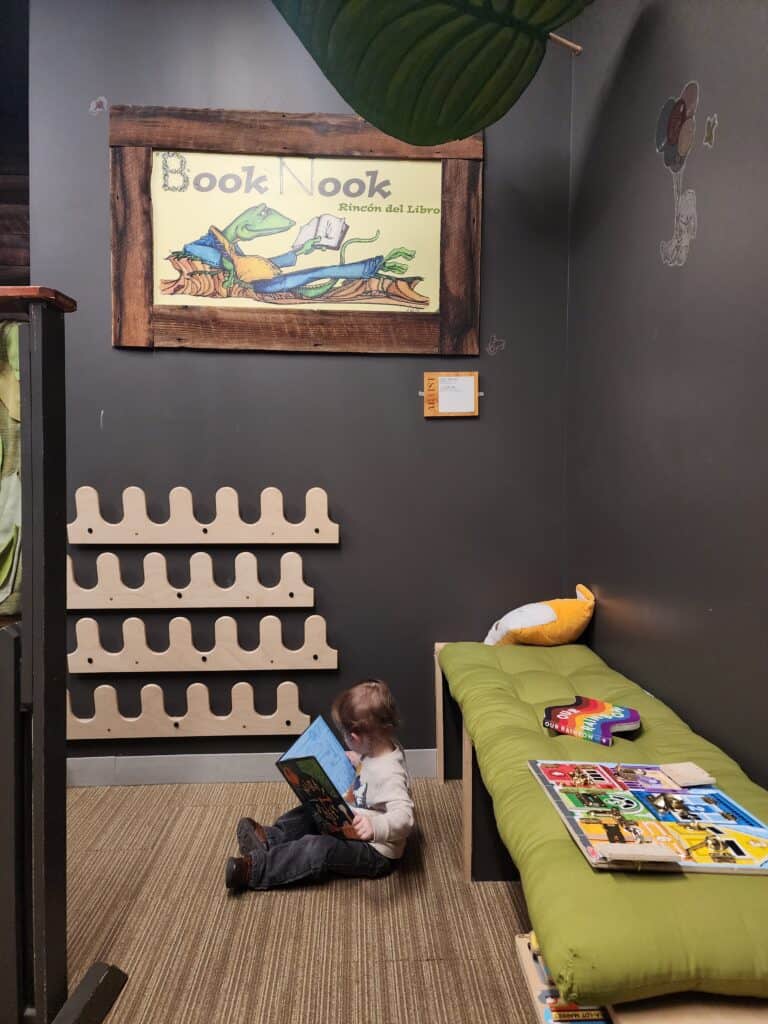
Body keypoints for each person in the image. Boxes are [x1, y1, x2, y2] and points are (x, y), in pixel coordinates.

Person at [225, 679, 415, 892]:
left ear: (356, 737)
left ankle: (257, 869)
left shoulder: (390, 773)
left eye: (345, 735)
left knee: (319, 848)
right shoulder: (380, 746)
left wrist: (376, 828)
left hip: (376, 851)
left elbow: (405, 816)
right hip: (353, 817)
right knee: (313, 808)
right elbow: (371, 766)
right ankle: (272, 839)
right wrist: (358, 758)